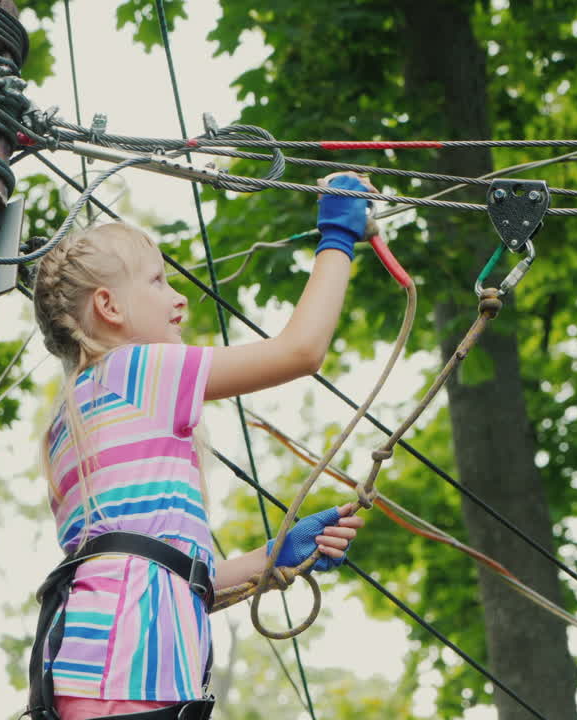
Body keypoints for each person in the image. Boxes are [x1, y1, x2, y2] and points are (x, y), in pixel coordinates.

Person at [29, 172, 374, 720]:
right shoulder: (133, 369)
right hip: (128, 666)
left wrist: (271, 558)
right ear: (109, 307)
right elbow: (301, 351)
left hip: (104, 664)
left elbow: (166, 570)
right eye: (157, 281)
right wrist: (337, 235)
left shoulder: (78, 413)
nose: (179, 297)